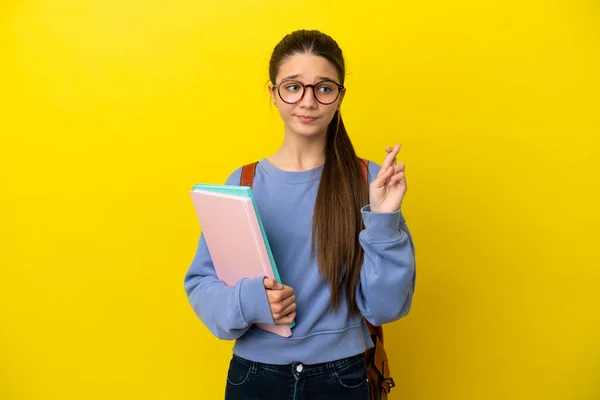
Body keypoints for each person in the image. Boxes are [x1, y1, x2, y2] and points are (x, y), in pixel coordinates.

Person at [184, 29, 416, 400]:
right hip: (255, 377)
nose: (307, 101)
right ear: (273, 94)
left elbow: (385, 307)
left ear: (339, 97)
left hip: (344, 376)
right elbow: (203, 286)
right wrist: (251, 301)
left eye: (323, 88)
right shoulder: (244, 182)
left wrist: (385, 221)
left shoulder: (370, 179)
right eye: (293, 87)